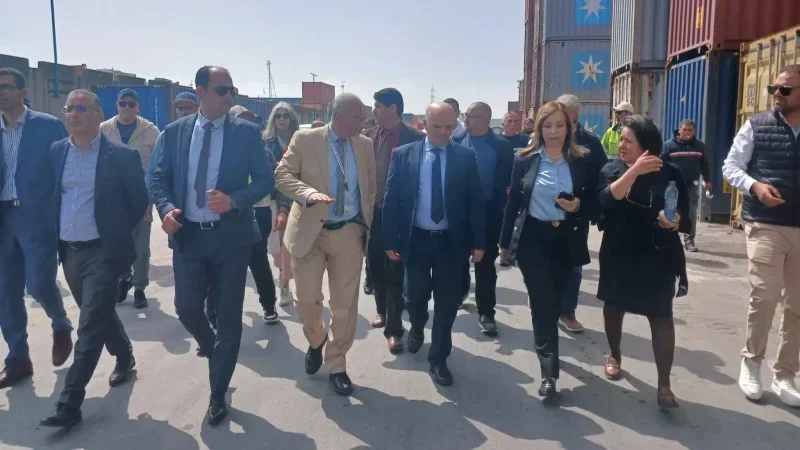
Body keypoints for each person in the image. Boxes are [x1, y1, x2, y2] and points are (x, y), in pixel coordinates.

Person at [151, 66, 273, 426]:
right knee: (187, 308)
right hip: (189, 236)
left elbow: (265, 180)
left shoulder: (246, 133)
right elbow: (158, 177)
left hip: (231, 239)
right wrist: (165, 209)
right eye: (222, 90)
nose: (229, 96)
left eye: (232, 90)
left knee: (229, 316)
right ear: (200, 92)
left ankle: (218, 392)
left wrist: (234, 200)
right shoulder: (174, 132)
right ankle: (212, 345)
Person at [40, 89, 148, 427]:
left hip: (103, 251)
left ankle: (69, 403)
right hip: (70, 251)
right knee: (97, 313)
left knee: (88, 326)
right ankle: (124, 354)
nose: (73, 113)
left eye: (81, 108)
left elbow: (137, 202)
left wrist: (114, 234)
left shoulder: (121, 156)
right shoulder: (57, 152)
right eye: (69, 108)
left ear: (99, 115)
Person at [274, 93, 375, 396]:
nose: (363, 122)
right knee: (306, 300)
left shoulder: (364, 145)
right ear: (339, 116)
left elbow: (370, 187)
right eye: (358, 117)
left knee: (344, 305)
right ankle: (317, 339)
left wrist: (367, 224)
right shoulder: (306, 140)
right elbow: (282, 175)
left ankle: (337, 364)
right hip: (310, 232)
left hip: (348, 233)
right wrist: (307, 193)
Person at [383, 102, 486, 386]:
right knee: (415, 297)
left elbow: (475, 202)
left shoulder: (464, 157)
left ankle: (439, 358)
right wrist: (389, 239)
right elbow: (391, 200)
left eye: (448, 127)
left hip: (451, 243)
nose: (443, 132)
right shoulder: (404, 155)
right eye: (437, 126)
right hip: (416, 240)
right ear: (424, 125)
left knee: (447, 303)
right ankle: (417, 326)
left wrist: (479, 241)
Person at [498, 102, 593, 402]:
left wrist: (578, 205)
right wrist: (503, 243)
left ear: (569, 128)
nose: (553, 132)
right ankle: (549, 373)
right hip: (533, 240)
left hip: (566, 239)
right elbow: (513, 205)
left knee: (554, 302)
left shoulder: (582, 159)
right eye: (547, 126)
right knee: (543, 305)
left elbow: (596, 200)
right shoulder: (524, 159)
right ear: (539, 129)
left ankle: (548, 351)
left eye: (559, 125)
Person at [596, 115, 690, 409]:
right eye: (621, 139)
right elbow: (607, 199)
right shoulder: (612, 169)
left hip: (658, 253)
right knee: (614, 307)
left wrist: (674, 220)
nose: (621, 145)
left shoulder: (670, 173)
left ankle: (664, 386)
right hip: (619, 251)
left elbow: (684, 213)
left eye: (628, 140)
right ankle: (615, 355)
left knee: (661, 316)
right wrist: (634, 170)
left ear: (646, 145)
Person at [722, 65, 800, 408]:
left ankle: (785, 374)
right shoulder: (756, 126)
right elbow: (731, 167)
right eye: (774, 89)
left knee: (797, 305)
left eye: (785, 90)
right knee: (766, 296)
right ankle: (752, 363)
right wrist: (755, 186)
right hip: (766, 222)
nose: (777, 95)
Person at [0, 67, 73, 390]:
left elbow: (65, 172)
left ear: (23, 92)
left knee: (40, 283)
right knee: (5, 292)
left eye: (6, 86)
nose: (1, 92)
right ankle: (18, 359)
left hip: (37, 217)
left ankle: (61, 324)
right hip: (3, 219)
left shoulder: (47, 126)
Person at [362, 88, 425, 351]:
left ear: (393, 108)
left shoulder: (416, 138)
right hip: (372, 212)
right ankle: (382, 310)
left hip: (400, 215)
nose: (373, 110)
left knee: (395, 271)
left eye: (377, 106)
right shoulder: (367, 136)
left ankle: (395, 330)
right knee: (375, 266)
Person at [204, 105, 278, 324]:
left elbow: (271, 181)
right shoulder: (218, 152)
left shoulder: (264, 152)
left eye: (250, 120)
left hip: (257, 213)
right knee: (217, 267)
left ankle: (269, 305)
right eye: (241, 119)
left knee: (258, 260)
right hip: (225, 215)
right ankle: (213, 314)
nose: (248, 124)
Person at [453, 102, 514, 335]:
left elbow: (507, 182)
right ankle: (460, 292)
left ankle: (486, 312)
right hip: (460, 214)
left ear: (486, 120)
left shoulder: (501, 146)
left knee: (485, 265)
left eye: (470, 116)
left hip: (489, 214)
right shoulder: (456, 142)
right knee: (459, 260)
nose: (465, 120)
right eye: (465, 115)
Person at [100, 88, 160, 309]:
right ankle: (124, 276)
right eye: (122, 103)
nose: (126, 107)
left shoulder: (151, 131)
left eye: (131, 104)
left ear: (138, 107)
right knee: (116, 243)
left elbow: (156, 167)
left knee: (141, 247)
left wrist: (149, 199)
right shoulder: (104, 129)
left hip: (140, 195)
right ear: (117, 105)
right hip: (113, 197)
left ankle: (139, 288)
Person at [554, 94, 609, 333]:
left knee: (574, 264)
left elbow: (602, 180)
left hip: (576, 213)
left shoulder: (591, 143)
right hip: (544, 212)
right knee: (543, 261)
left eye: (573, 120)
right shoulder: (544, 138)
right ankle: (544, 304)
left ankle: (567, 311)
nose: (567, 126)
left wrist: (584, 205)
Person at [264, 102, 300, 308]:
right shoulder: (266, 142)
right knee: (279, 245)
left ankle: (290, 283)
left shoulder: (301, 140)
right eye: (278, 116)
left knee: (295, 245)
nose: (282, 119)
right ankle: (284, 280)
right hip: (274, 200)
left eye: (286, 115)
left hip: (299, 198)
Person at [662, 119, 711, 253]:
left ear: (694, 131)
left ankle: (689, 241)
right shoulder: (669, 145)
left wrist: (707, 180)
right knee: (670, 211)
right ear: (679, 130)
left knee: (691, 212)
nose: (687, 132)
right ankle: (668, 239)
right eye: (684, 130)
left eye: (690, 130)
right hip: (672, 186)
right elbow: (662, 164)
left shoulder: (699, 146)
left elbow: (704, 164)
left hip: (691, 185)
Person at [145, 92, 199, 191]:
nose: (184, 112)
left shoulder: (205, 133)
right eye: (180, 108)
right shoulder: (167, 135)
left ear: (197, 109)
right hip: (172, 196)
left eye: (188, 108)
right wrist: (149, 195)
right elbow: (153, 169)